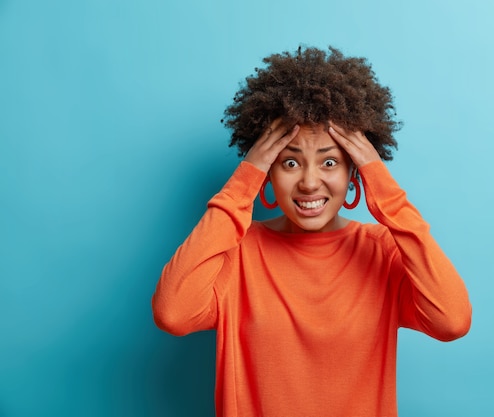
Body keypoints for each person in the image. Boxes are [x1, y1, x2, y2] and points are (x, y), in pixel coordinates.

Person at [152, 46, 472, 416]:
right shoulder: (235, 252)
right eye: (289, 162)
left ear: (355, 172)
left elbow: (452, 320)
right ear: (268, 172)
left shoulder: (381, 251)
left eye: (330, 162)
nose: (308, 182)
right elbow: (172, 313)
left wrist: (385, 192)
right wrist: (243, 182)